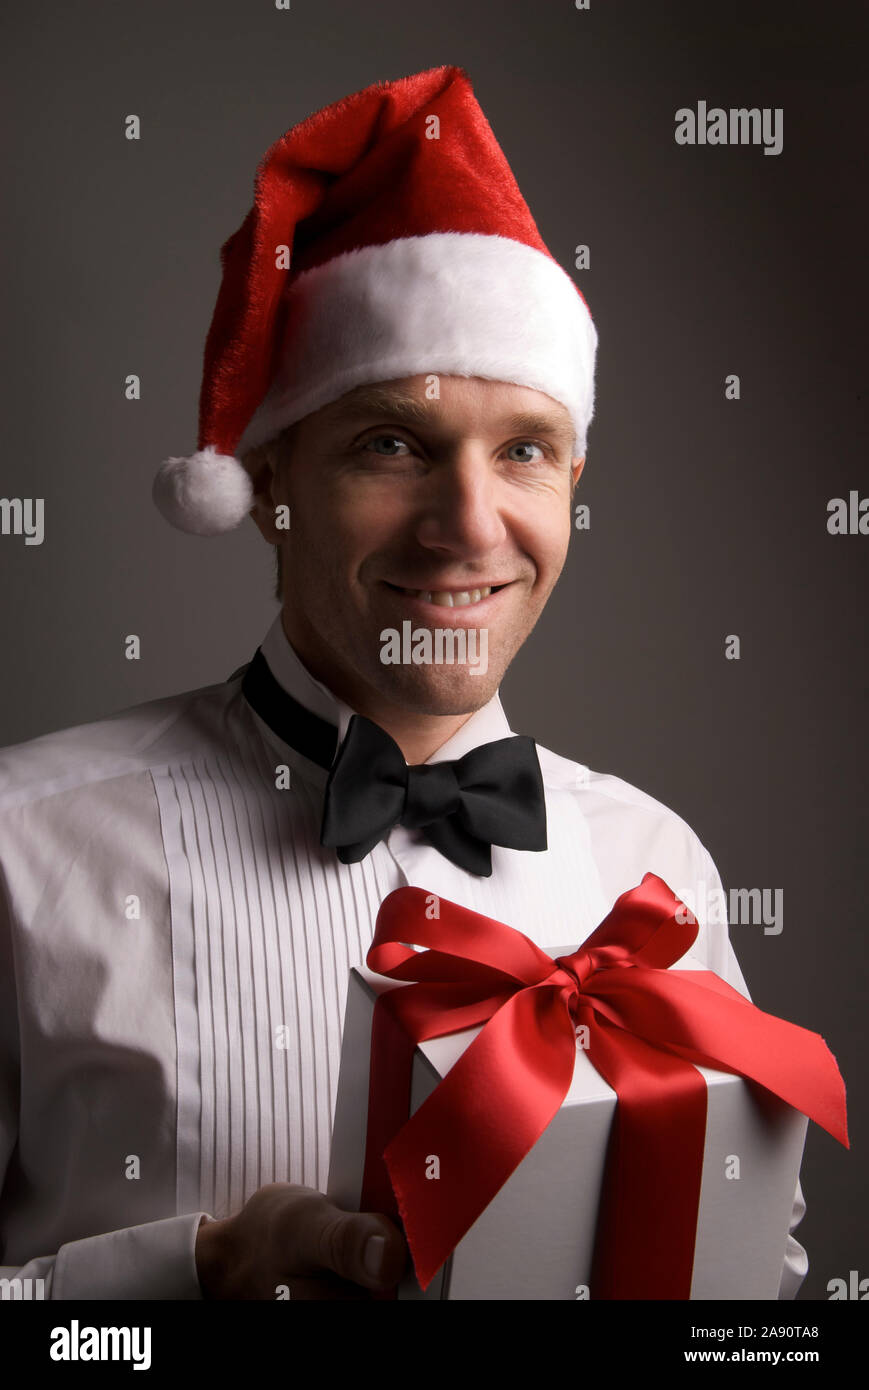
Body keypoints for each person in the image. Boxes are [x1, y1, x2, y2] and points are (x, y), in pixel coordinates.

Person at [0, 64, 806, 1301]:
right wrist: (188, 1285)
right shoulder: (23, 845)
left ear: (571, 489)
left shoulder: (659, 869)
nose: (468, 526)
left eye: (523, 452)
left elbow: (754, 1293)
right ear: (268, 481)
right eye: (392, 444)